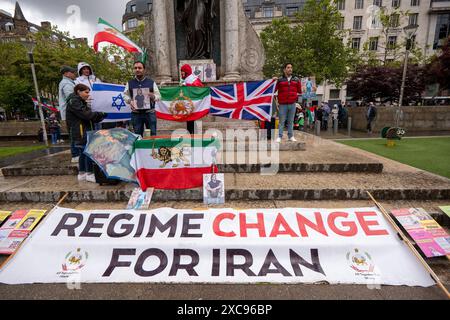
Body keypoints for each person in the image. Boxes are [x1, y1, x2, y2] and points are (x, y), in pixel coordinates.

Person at [66, 84, 107, 183]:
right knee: (88, 152)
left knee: (83, 153)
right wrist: (100, 114)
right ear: (78, 92)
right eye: (86, 92)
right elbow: (86, 115)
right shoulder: (74, 102)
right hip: (80, 132)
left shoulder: (79, 102)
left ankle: (82, 173)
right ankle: (89, 173)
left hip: (82, 131)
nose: (88, 95)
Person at [123, 61, 161, 137]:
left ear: (144, 70)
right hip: (136, 114)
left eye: (140, 68)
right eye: (135, 68)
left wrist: (153, 96)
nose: (137, 70)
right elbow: (125, 95)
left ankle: (151, 149)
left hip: (150, 113)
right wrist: (130, 101)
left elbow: (159, 96)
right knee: (137, 136)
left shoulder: (151, 82)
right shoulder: (129, 83)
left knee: (152, 136)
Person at [274, 63, 302, 143]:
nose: (290, 69)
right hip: (282, 104)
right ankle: (280, 136)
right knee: (281, 121)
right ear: (284, 69)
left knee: (291, 121)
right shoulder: (279, 80)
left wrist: (311, 89)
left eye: (291, 67)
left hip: (292, 103)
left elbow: (300, 91)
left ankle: (291, 136)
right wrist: (273, 81)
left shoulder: (296, 80)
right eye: (288, 67)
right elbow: (274, 90)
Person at [58, 66, 78, 162]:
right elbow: (71, 97)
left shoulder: (67, 82)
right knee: (74, 133)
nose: (75, 74)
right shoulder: (67, 84)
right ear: (66, 73)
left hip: (69, 112)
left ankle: (75, 154)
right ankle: (75, 155)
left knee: (74, 133)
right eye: (73, 72)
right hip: (71, 113)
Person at [180, 64, 204, 135]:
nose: (181, 73)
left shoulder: (193, 79)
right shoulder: (185, 79)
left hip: (193, 103)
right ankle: (190, 135)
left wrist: (186, 85)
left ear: (186, 71)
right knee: (189, 121)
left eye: (183, 71)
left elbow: (199, 88)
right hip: (187, 103)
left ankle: (193, 135)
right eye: (181, 71)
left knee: (192, 120)